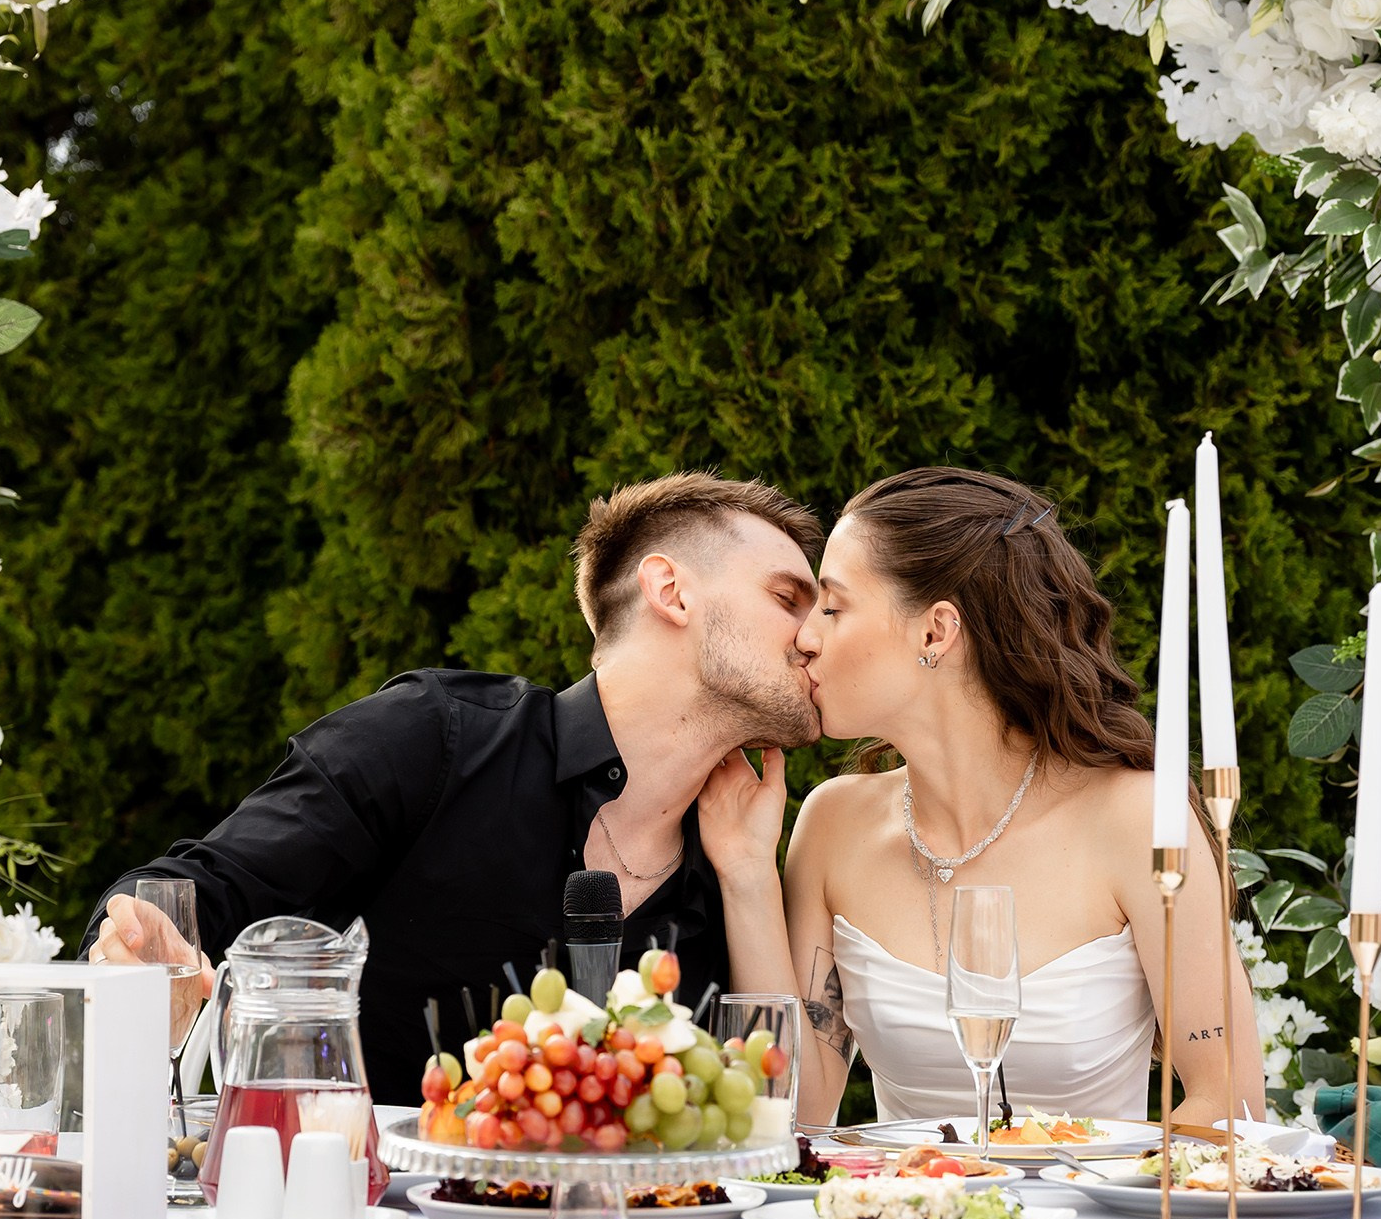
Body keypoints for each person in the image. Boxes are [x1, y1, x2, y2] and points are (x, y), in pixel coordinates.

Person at [88, 472, 824, 1100]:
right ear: (671, 591)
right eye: (789, 597)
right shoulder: (437, 737)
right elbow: (193, 892)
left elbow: (772, 1126)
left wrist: (749, 875)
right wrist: (137, 943)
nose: (816, 635)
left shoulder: (733, 862)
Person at [698, 464, 1264, 1127]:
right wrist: (745, 874)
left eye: (834, 604)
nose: (806, 636)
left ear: (935, 633)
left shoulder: (1138, 818)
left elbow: (1229, 1096)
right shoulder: (832, 824)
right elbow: (797, 1110)